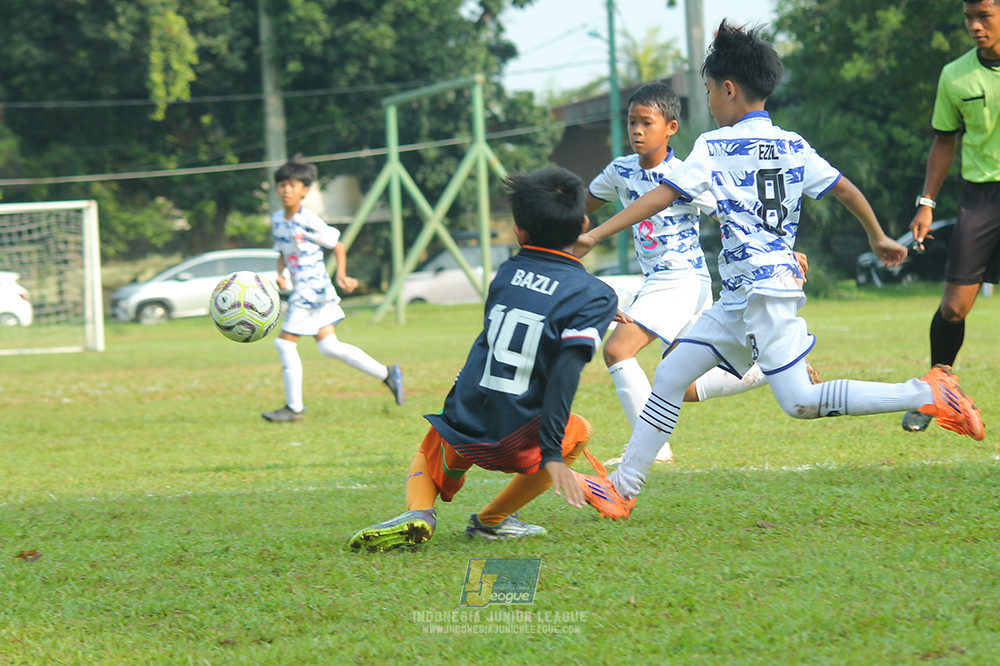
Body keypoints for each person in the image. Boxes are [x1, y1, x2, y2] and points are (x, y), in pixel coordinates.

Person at [568, 21, 985, 517]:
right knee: (672, 373)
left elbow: (663, 195)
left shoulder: (714, 146)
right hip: (744, 293)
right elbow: (845, 188)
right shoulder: (792, 144)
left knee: (800, 402)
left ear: (729, 89)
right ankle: (623, 486)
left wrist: (594, 233)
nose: (709, 103)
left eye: (708, 92)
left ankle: (928, 390)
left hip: (763, 293)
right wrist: (877, 234)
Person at [348, 167, 621, 551]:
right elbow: (564, 371)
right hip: (523, 438)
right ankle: (491, 521)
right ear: (585, 224)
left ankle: (419, 511)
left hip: (466, 419)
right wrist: (553, 453)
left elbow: (537, 294)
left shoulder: (506, 273)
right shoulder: (594, 294)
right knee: (581, 430)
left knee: (428, 454)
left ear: (518, 230)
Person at [587, 82, 816, 466]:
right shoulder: (620, 171)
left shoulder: (685, 174)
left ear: (671, 128)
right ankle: (772, 368)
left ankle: (652, 448)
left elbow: (736, 213)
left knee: (616, 349)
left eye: (646, 122)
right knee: (689, 387)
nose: (637, 131)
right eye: (631, 122)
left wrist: (781, 249)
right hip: (663, 284)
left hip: (682, 280)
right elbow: (584, 204)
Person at [901, 0, 1000, 433]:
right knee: (954, 308)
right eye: (969, 19)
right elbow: (944, 142)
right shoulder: (955, 75)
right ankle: (937, 393)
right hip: (981, 198)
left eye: (985, 16)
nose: (976, 27)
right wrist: (927, 201)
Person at [263, 157, 405, 422]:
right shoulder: (278, 220)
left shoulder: (309, 220)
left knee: (284, 343)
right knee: (329, 346)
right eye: (281, 184)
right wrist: (280, 274)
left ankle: (294, 409)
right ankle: (388, 374)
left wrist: (342, 274)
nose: (285, 190)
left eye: (292, 185)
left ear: (304, 189)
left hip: (312, 290)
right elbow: (282, 250)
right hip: (303, 289)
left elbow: (337, 245)